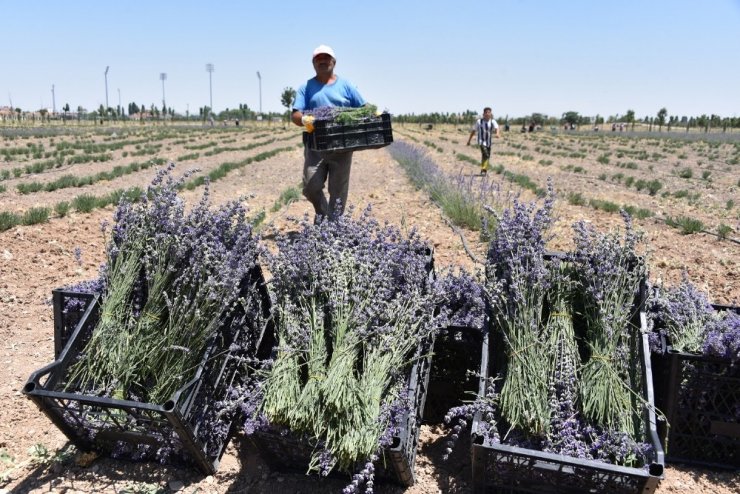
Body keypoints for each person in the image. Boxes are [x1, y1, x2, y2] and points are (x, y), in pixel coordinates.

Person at [291, 44, 366, 221]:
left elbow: (363, 107)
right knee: (310, 186)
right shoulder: (306, 87)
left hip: (342, 147)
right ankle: (323, 214)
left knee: (338, 191)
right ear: (313, 63)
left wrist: (374, 113)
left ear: (334, 61)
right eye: (318, 58)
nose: (322, 61)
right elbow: (295, 113)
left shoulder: (346, 85)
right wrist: (303, 120)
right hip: (316, 146)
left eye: (326, 57)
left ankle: (333, 229)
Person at [466, 107, 500, 176]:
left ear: (491, 114)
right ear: (483, 114)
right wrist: (469, 140)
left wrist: (497, 133)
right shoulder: (479, 121)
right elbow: (473, 131)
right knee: (486, 154)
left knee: (486, 156)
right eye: (486, 112)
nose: (487, 114)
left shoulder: (492, 121)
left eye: (489, 112)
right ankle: (484, 169)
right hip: (481, 141)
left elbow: (497, 127)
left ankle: (483, 170)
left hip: (488, 142)